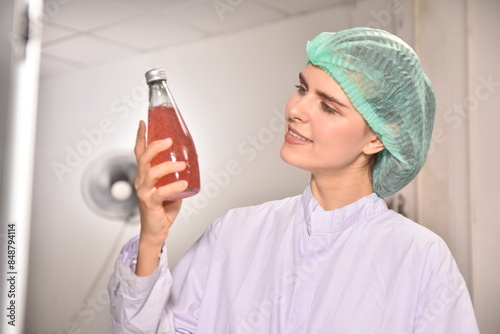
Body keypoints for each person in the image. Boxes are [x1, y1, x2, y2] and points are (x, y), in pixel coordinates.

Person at [108, 27, 479, 333]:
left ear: (378, 138)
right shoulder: (235, 234)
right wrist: (152, 240)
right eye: (302, 88)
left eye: (328, 106)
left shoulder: (419, 257)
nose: (295, 109)